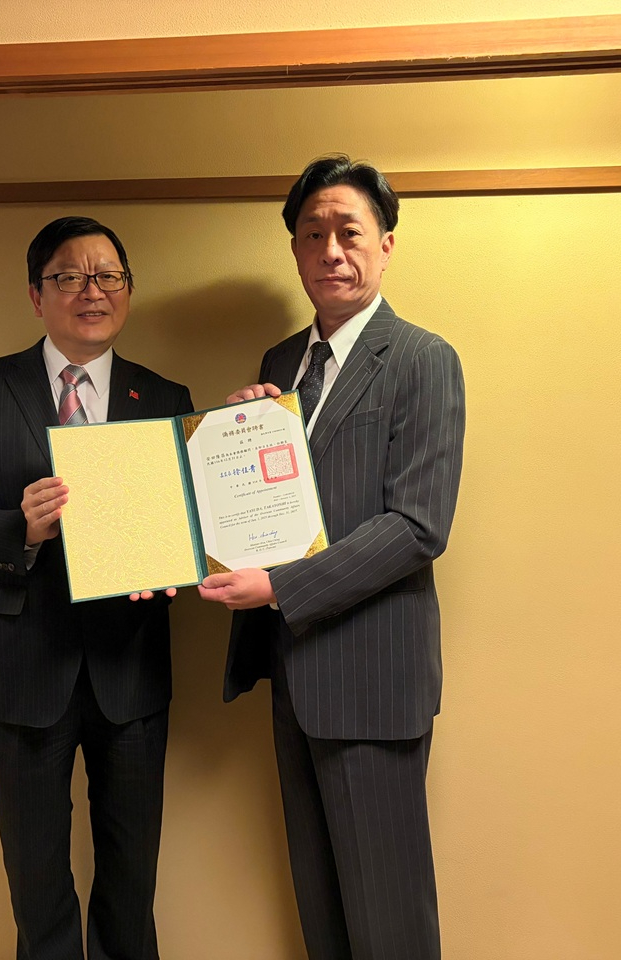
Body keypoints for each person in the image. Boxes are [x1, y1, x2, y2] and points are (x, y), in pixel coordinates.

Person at [198, 155, 466, 960]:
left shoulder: (423, 359)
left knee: (388, 921)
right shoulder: (280, 364)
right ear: (295, 250)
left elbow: (417, 526)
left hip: (374, 676)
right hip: (293, 671)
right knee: (322, 910)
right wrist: (240, 432)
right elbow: (276, 510)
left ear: (386, 243)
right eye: (312, 235)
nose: (331, 251)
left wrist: (279, 587)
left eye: (349, 231)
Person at [0, 216, 191, 960]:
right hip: (23, 667)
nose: (91, 291)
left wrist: (178, 564)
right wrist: (22, 528)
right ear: (37, 296)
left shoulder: (164, 396)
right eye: (69, 277)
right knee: (36, 881)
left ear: (128, 290)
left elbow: (187, 521)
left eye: (108, 276)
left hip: (130, 668)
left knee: (131, 879)